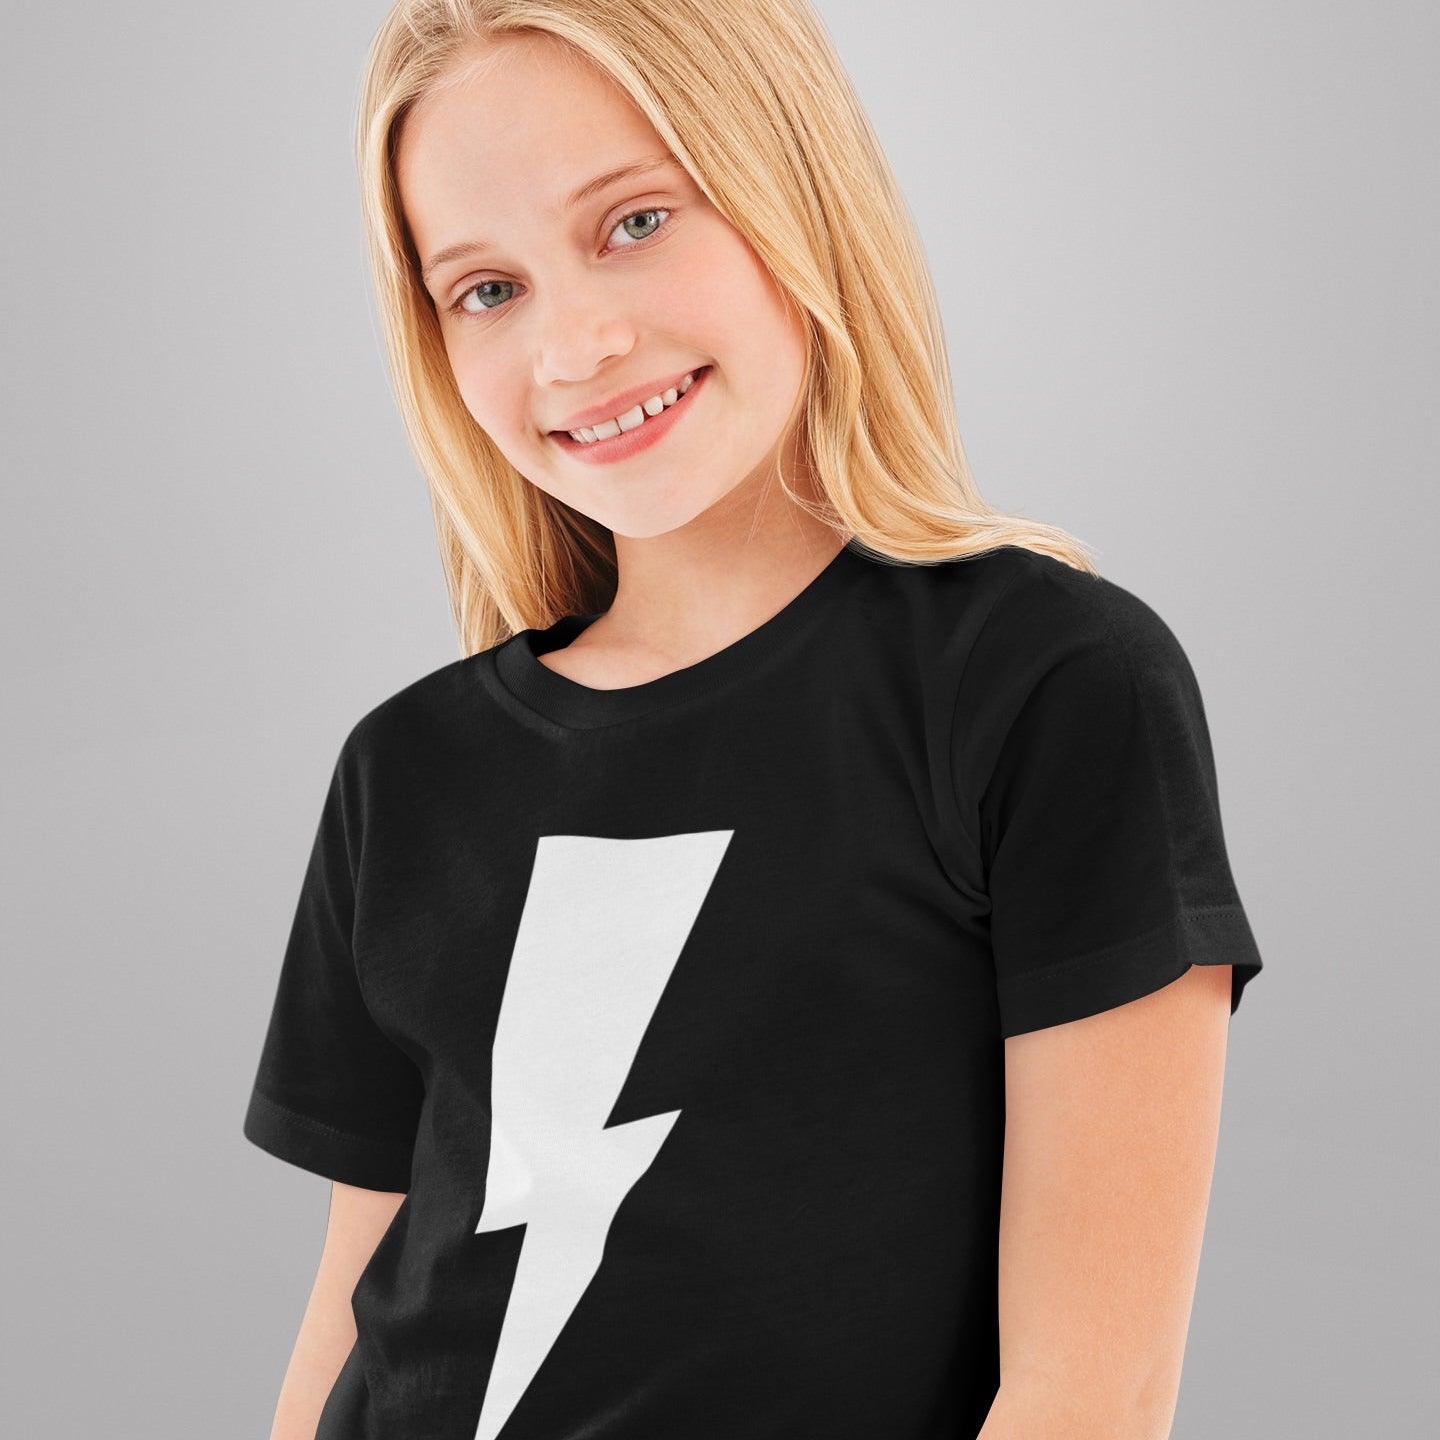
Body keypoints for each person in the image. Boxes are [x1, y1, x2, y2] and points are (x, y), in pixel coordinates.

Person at [242, 2, 1265, 1438]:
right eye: (487, 289)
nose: (577, 344)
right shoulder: (404, 770)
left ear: (792, 186)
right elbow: (349, 1320)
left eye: (635, 221)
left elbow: (1093, 1390)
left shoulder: (1043, 685)